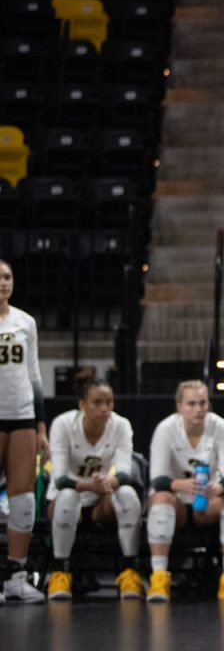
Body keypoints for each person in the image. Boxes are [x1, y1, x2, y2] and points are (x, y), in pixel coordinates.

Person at [144, 380, 224, 602]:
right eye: (191, 404)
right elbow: (157, 477)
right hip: (177, 501)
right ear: (179, 406)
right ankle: (159, 577)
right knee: (161, 498)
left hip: (207, 501)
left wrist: (219, 487)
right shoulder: (165, 429)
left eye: (203, 403)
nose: (198, 409)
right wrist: (180, 485)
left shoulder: (221, 427)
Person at [45, 378, 144, 601]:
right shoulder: (63, 424)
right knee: (69, 496)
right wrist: (87, 485)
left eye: (109, 402)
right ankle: (60, 572)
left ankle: (130, 570)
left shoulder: (121, 425)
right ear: (82, 404)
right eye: (97, 402)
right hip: (67, 497)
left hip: (101, 499)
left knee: (128, 495)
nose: (104, 409)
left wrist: (105, 484)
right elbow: (60, 478)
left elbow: (125, 473)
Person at [0, 259, 48, 605]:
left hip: (22, 417)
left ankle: (17, 575)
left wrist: (41, 426)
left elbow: (34, 376)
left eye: (6, 277)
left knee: (24, 499)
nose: (2, 282)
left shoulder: (25, 322)